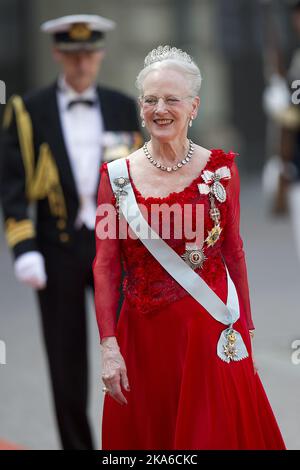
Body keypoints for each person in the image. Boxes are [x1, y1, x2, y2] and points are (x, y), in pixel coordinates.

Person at [93, 45, 286, 450]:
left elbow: (234, 252)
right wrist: (109, 346)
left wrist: (246, 336)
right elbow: (106, 266)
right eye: (150, 100)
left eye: (171, 99)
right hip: (143, 342)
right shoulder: (117, 177)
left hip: (209, 334)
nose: (160, 109)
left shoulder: (220, 169)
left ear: (193, 106)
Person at [0, 14, 141, 450]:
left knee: (130, 354)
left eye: (89, 53)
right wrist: (24, 246)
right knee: (66, 364)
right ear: (58, 54)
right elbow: (12, 180)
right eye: (73, 54)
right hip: (57, 248)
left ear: (100, 54)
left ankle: (131, 448)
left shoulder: (124, 106)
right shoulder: (28, 109)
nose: (82, 63)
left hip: (116, 248)